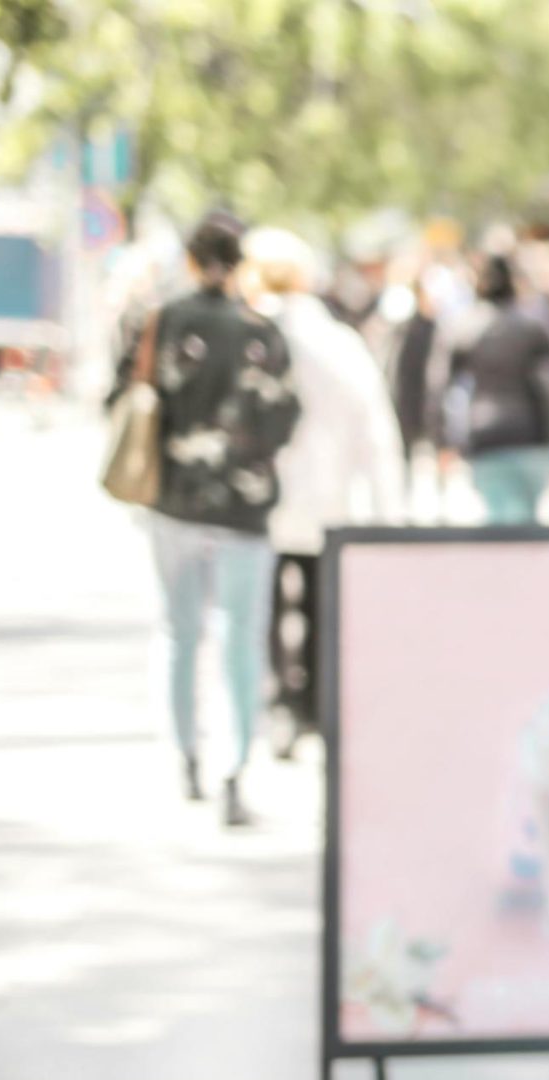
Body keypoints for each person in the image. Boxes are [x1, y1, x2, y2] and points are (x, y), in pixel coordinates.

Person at [110, 213, 302, 826]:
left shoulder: (161, 322)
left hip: (174, 500)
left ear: (191, 260)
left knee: (179, 630)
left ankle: (186, 755)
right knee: (241, 638)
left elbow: (125, 397)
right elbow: (285, 419)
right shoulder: (261, 333)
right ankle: (235, 766)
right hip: (243, 506)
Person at [239, 228, 406, 754]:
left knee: (261, 604)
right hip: (326, 496)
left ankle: (276, 700)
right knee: (317, 600)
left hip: (258, 498)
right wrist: (386, 509)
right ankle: (310, 701)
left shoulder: (248, 335)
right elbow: (375, 427)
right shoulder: (336, 339)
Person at [444, 254, 549, 524]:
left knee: (501, 522)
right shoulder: (529, 327)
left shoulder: (466, 328)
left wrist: (443, 438)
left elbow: (443, 385)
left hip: (488, 434)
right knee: (523, 521)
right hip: (529, 433)